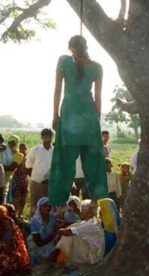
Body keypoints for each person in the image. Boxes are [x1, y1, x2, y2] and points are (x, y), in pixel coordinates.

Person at [49, 35, 108, 206]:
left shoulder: (64, 61)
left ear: (70, 47)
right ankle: (98, 203)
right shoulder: (97, 67)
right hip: (89, 116)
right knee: (94, 161)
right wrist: (96, 120)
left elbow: (58, 90)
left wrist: (55, 115)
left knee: (63, 160)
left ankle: (58, 205)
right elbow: (98, 97)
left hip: (69, 115)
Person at [55, 199, 105, 266]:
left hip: (93, 257)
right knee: (73, 229)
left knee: (69, 237)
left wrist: (58, 231)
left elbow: (69, 232)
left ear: (88, 212)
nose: (81, 212)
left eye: (82, 210)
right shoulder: (93, 220)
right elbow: (78, 224)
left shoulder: (90, 224)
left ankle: (58, 259)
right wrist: (66, 224)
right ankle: (59, 257)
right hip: (96, 252)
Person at [26, 129, 54, 215]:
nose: (47, 138)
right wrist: (36, 179)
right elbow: (28, 166)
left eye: (49, 136)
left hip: (51, 183)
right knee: (35, 205)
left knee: (50, 206)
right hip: (37, 182)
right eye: (45, 136)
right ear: (42, 137)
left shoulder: (55, 151)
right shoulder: (35, 150)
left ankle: (47, 226)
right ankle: (33, 225)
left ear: (52, 137)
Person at [27, 197, 62, 265]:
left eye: (49, 206)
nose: (48, 208)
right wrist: (54, 233)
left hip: (52, 242)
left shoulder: (54, 219)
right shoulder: (34, 222)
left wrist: (57, 232)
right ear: (39, 207)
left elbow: (61, 230)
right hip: (40, 245)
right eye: (45, 206)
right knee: (31, 239)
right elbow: (39, 243)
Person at [0, 205, 31, 275]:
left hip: (9, 253)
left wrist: (11, 232)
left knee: (14, 257)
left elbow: (11, 247)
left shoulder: (11, 228)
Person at [3, 135, 24, 204]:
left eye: (13, 143)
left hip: (5, 179)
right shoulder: (2, 151)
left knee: (3, 198)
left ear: (17, 143)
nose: (11, 144)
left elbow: (11, 168)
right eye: (10, 142)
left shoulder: (19, 155)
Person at [10, 143, 29, 216]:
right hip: (17, 179)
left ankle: (20, 214)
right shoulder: (18, 157)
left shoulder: (28, 158)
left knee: (24, 197)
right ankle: (14, 213)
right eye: (21, 148)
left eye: (24, 148)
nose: (23, 150)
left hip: (25, 180)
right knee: (16, 197)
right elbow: (14, 167)